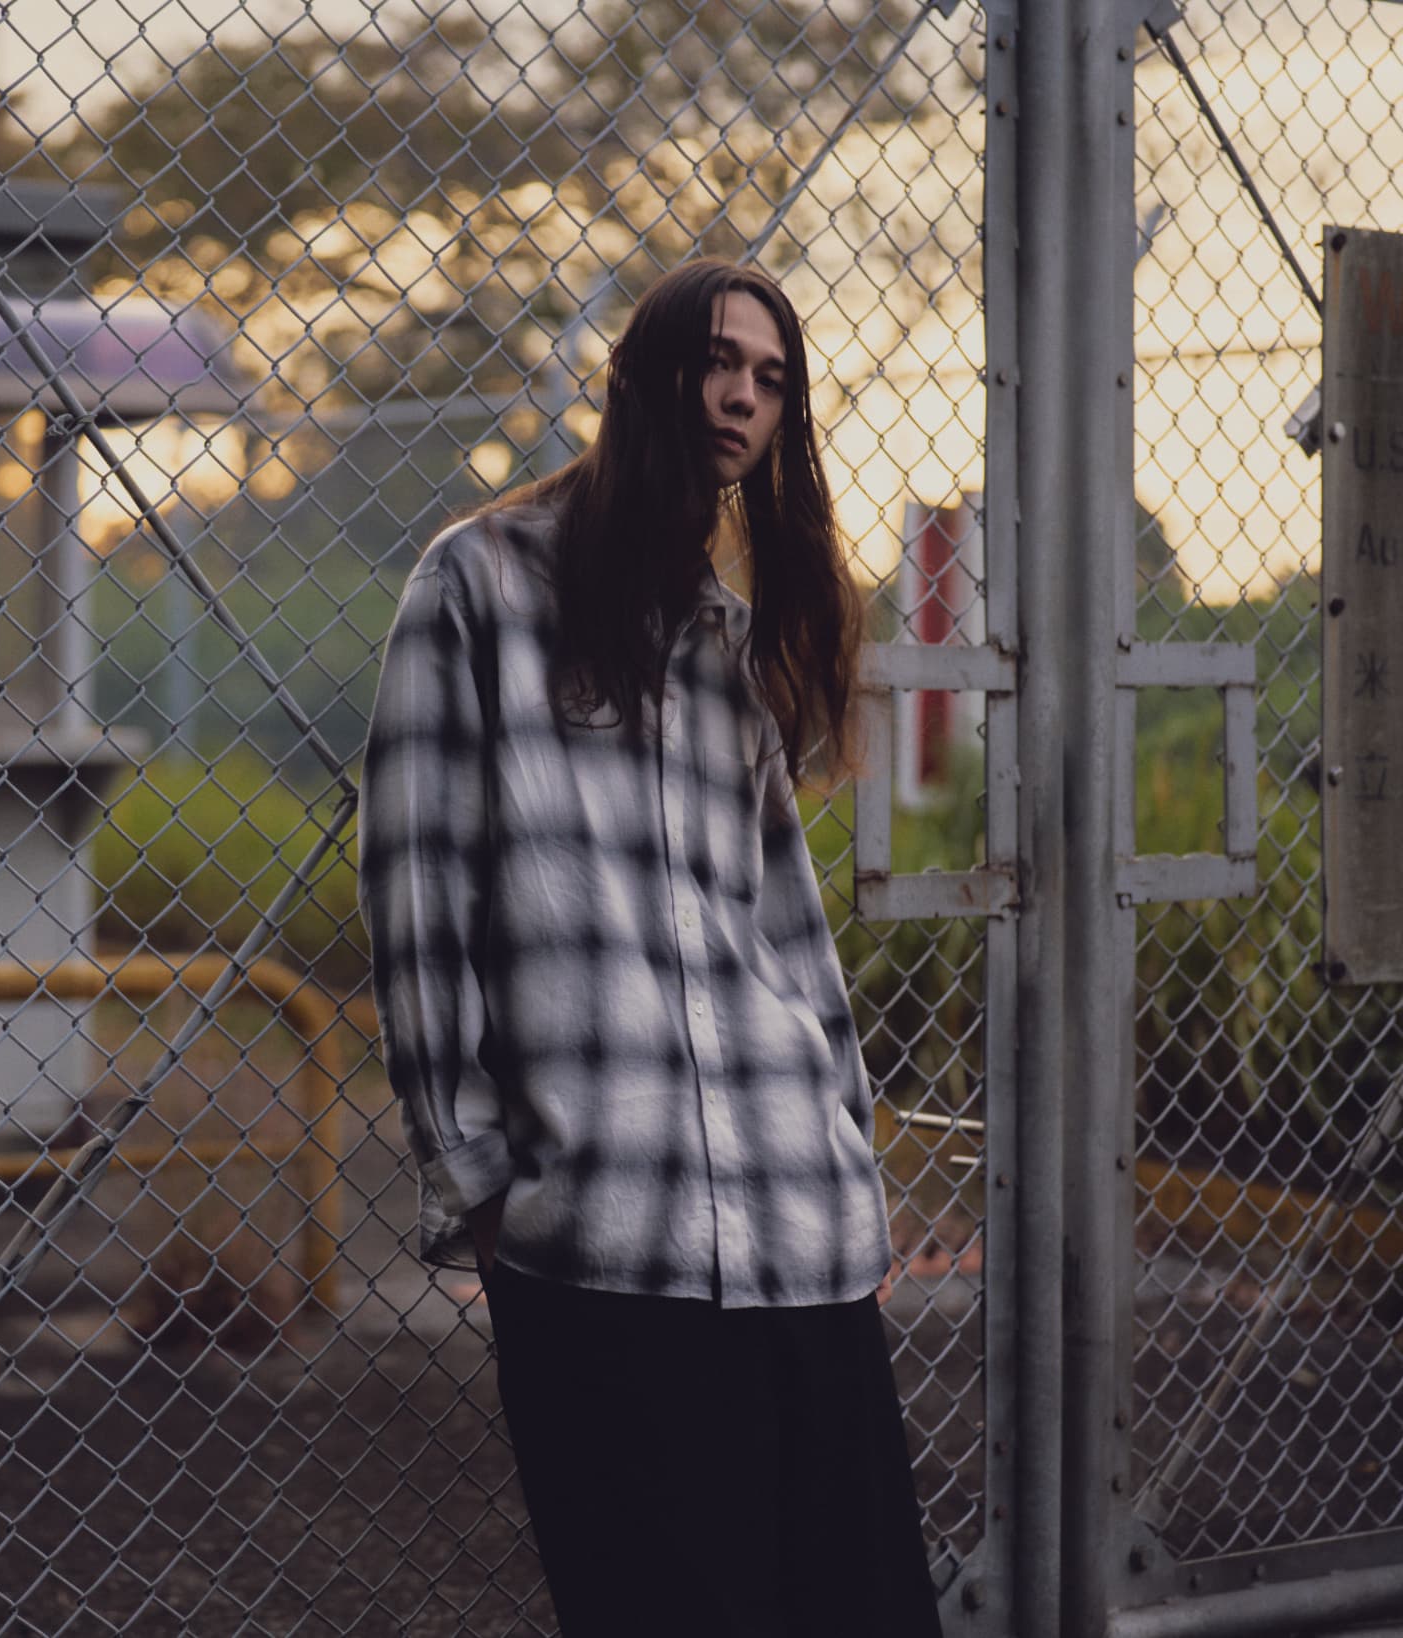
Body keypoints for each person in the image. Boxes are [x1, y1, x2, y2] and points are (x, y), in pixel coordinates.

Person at [355, 257, 945, 1637]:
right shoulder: (477, 585)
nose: (742, 396)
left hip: (799, 1229)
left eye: (772, 379)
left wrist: (847, 1157)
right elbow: (418, 893)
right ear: (642, 376)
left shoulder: (724, 638)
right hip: (606, 1234)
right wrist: (477, 1179)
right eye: (718, 360)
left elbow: (787, 933)